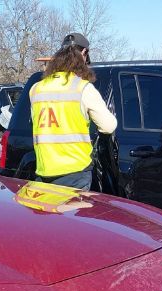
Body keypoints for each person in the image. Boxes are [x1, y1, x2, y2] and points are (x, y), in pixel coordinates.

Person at [29, 32, 117, 190]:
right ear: (84, 53)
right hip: (75, 173)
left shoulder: (36, 89)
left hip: (44, 172)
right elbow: (108, 126)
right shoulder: (83, 88)